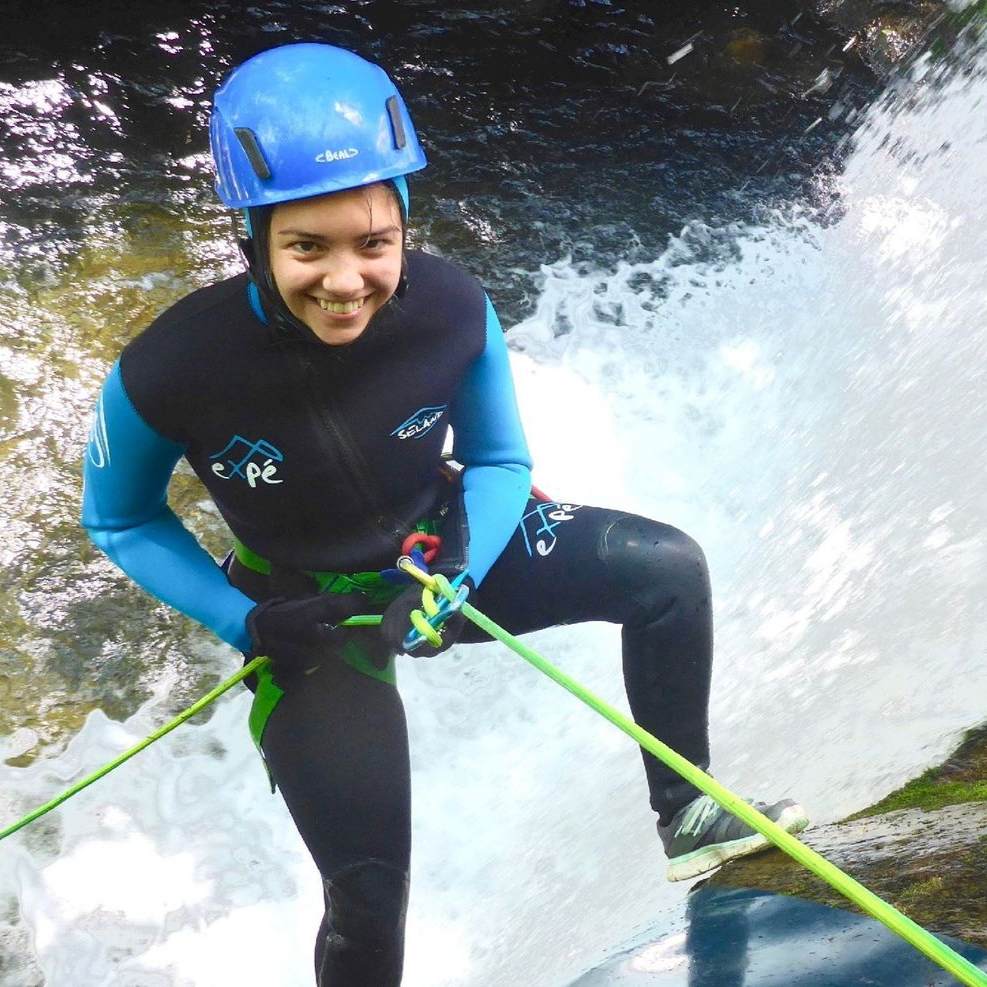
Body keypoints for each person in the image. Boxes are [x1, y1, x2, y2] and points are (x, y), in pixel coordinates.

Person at [81, 42, 808, 986]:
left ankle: (691, 818)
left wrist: (463, 565)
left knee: (663, 569)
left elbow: (503, 459)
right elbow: (122, 521)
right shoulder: (167, 368)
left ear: (404, 227)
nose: (346, 282)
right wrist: (245, 620)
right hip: (309, 621)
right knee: (369, 894)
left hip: (445, 555)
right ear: (250, 237)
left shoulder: (452, 307)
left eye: (373, 245)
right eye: (307, 247)